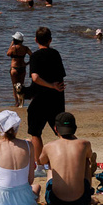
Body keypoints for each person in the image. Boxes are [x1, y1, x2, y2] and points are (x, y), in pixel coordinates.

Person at [27, 26, 66, 167]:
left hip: (40, 99)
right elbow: (61, 78)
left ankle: (40, 165)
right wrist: (56, 87)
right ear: (50, 40)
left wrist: (50, 85)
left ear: (36, 40)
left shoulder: (35, 56)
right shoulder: (55, 54)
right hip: (56, 99)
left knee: (36, 133)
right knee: (61, 130)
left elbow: (35, 78)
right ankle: (70, 156)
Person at [40, 112, 96, 205]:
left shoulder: (49, 146)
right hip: (81, 201)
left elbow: (41, 161)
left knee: (49, 163)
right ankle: (89, 191)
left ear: (55, 129)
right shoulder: (84, 144)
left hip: (55, 201)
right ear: (74, 128)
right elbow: (90, 155)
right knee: (86, 160)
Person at [7, 32, 30, 107]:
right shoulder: (25, 48)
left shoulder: (14, 47)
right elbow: (32, 56)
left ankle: (16, 102)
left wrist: (11, 44)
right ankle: (21, 101)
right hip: (22, 67)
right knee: (21, 85)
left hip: (14, 68)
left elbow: (8, 53)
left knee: (15, 86)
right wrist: (27, 63)